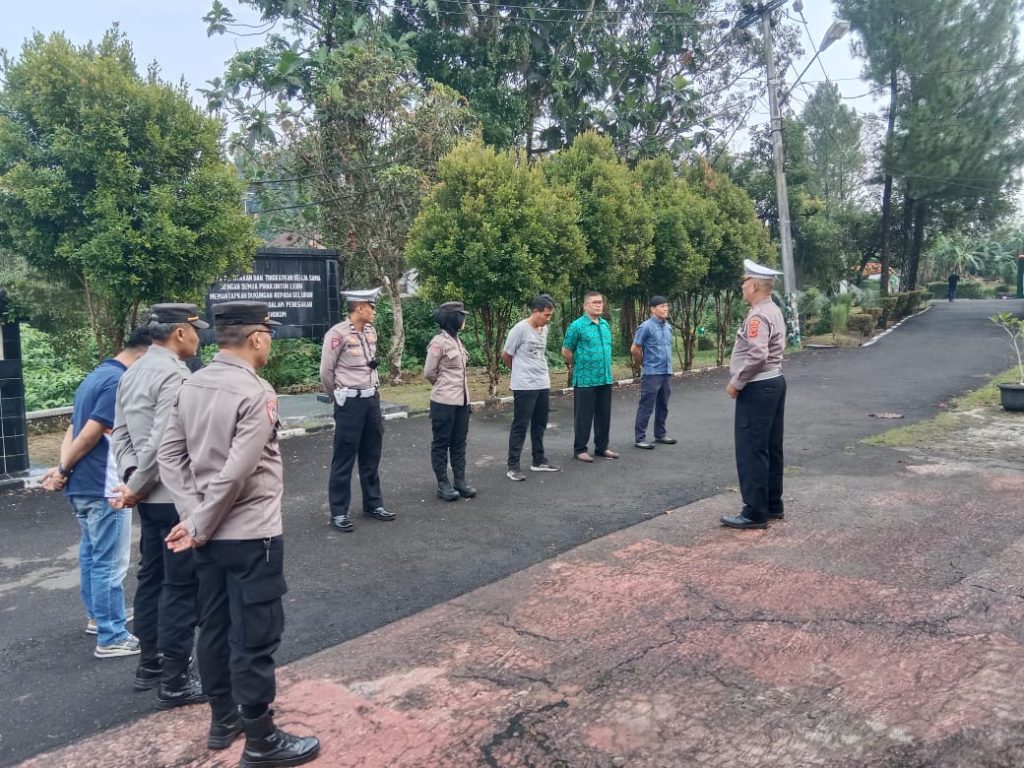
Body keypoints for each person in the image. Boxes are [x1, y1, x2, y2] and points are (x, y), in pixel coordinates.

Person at [159, 301, 320, 765]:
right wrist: (201, 522)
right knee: (254, 636)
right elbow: (237, 473)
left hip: (207, 538)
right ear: (255, 338)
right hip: (252, 535)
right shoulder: (256, 391)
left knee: (213, 627)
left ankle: (222, 719)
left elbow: (170, 456)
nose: (268, 342)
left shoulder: (192, 384)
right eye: (268, 334)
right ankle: (262, 740)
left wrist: (193, 519)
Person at [110, 303, 207, 707]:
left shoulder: (132, 371)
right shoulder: (174, 375)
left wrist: (132, 481)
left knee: (151, 578)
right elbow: (163, 444)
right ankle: (175, 680)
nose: (200, 337)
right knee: (180, 587)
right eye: (195, 330)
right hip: (171, 497)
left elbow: (121, 436)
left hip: (148, 498)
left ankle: (150, 665)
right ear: (180, 332)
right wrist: (137, 482)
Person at [40, 327, 152, 658]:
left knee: (91, 554)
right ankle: (112, 635)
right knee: (109, 562)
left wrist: (64, 469)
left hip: (83, 484)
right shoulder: (118, 382)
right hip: (105, 486)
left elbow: (73, 427)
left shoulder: (96, 375)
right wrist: (61, 470)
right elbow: (88, 434)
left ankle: (99, 617)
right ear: (144, 355)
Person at [319, 288, 395, 532]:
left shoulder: (371, 331)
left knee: (371, 454)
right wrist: (337, 397)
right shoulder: (337, 334)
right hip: (349, 402)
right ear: (360, 307)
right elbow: (326, 372)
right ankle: (338, 512)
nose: (374, 311)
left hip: (371, 398)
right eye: (371, 307)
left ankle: (373, 504)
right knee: (344, 457)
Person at [721, 259, 787, 530]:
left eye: (745, 282)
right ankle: (772, 504)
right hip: (774, 383)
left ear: (756, 286)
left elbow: (757, 354)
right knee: (771, 446)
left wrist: (737, 382)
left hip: (758, 387)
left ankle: (754, 512)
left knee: (752, 449)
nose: (742, 286)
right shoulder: (773, 310)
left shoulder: (758, 316)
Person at [502, 294, 561, 481]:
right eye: (545, 315)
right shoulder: (519, 329)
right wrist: (520, 372)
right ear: (535, 311)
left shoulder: (544, 329)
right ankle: (513, 466)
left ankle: (538, 460)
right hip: (524, 385)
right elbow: (506, 355)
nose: (547, 319)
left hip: (542, 382)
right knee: (520, 425)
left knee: (540, 424)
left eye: (550, 315)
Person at [423, 301, 476, 501]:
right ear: (453, 318)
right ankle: (443, 484)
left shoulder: (457, 341)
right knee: (441, 443)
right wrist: (443, 386)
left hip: (462, 401)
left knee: (459, 442)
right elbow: (429, 372)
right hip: (444, 402)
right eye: (461, 316)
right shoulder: (439, 342)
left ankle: (460, 481)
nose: (464, 319)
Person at [562, 291, 618, 463]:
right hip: (585, 379)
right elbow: (566, 351)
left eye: (600, 302)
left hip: (605, 378)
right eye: (594, 302)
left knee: (604, 415)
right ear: (585, 305)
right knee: (583, 416)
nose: (598, 305)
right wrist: (579, 364)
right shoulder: (577, 326)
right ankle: (580, 449)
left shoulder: (604, 325)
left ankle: (602, 447)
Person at [631, 296, 678, 450]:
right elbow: (635, 349)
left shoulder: (668, 327)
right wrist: (643, 363)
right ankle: (640, 438)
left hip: (666, 372)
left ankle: (660, 434)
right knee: (646, 406)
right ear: (652, 309)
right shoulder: (646, 327)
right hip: (652, 373)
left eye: (666, 306)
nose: (665, 309)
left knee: (663, 405)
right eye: (661, 306)